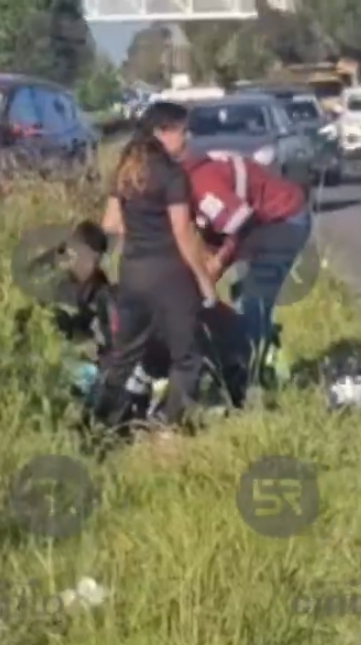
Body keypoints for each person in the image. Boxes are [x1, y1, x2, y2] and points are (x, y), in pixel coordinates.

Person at [98, 102, 219, 430]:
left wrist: (141, 229)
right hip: (170, 276)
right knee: (187, 357)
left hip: (133, 274)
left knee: (123, 357)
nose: (187, 138)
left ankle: (96, 424)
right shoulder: (172, 175)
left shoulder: (126, 170)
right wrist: (205, 283)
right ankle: (171, 429)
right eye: (183, 131)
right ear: (162, 133)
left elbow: (110, 223)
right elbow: (183, 233)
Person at [182, 146, 311, 368]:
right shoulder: (191, 180)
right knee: (233, 292)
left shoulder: (202, 186)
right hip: (258, 222)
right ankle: (257, 343)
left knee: (253, 300)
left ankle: (250, 371)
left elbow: (242, 226)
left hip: (283, 220)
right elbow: (214, 232)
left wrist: (219, 262)